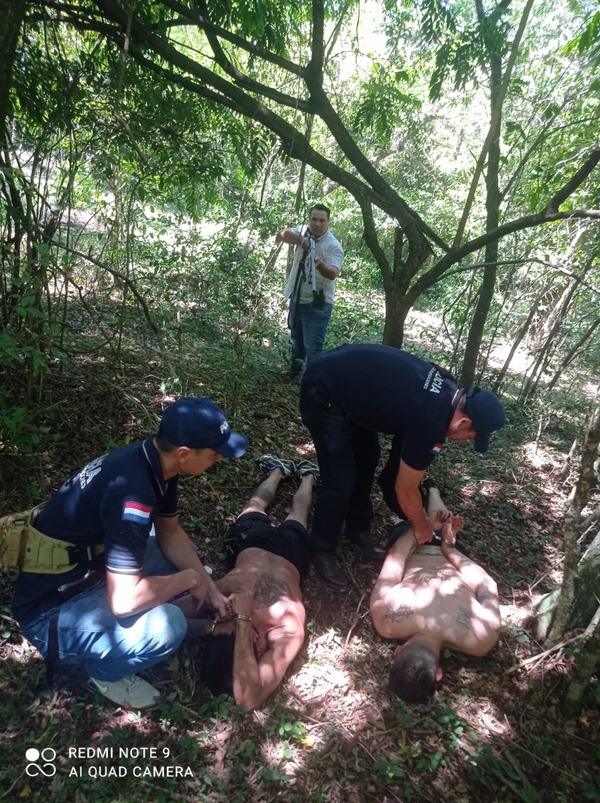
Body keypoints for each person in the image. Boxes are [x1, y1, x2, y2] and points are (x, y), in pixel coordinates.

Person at [9, 397, 248, 709]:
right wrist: (189, 578)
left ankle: (180, 608)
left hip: (84, 574)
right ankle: (105, 672)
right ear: (184, 454)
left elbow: (171, 533)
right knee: (169, 625)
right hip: (49, 615)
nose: (218, 460)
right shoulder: (133, 498)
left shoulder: (151, 461)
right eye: (215, 454)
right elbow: (123, 603)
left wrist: (211, 589)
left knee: (178, 554)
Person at [300, 343, 505, 590]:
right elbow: (404, 489)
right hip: (324, 388)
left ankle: (357, 529)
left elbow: (393, 478)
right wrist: (421, 526)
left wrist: (417, 516)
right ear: (464, 421)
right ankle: (321, 549)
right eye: (470, 437)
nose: (465, 441)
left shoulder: (447, 388)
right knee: (341, 479)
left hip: (349, 386)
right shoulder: (431, 423)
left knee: (368, 457)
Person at [198, 455, 318, 709]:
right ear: (259, 648)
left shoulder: (228, 604)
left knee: (256, 504)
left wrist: (218, 613)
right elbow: (248, 699)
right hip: (292, 557)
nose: (235, 618)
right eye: (246, 632)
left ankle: (277, 471)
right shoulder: (286, 631)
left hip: (249, 543)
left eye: (228, 623)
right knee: (299, 514)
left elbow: (183, 605)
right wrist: (242, 624)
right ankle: (309, 476)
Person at [370, 483, 500, 702]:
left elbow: (486, 585)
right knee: (440, 520)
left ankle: (424, 500)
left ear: (438, 673)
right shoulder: (385, 621)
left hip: (431, 548)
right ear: (397, 654)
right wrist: (446, 546)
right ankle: (433, 490)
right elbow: (395, 557)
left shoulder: (481, 640)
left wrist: (423, 532)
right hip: (426, 547)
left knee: (429, 519)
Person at [277, 203, 344, 376]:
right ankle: (294, 373)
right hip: (298, 297)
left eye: (322, 220)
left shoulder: (333, 245)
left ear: (328, 222)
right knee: (296, 342)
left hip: (317, 304)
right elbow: (282, 234)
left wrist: (319, 264)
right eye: (314, 219)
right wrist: (301, 240)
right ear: (309, 220)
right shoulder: (304, 231)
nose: (317, 224)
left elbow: (333, 273)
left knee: (313, 349)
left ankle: (314, 385)